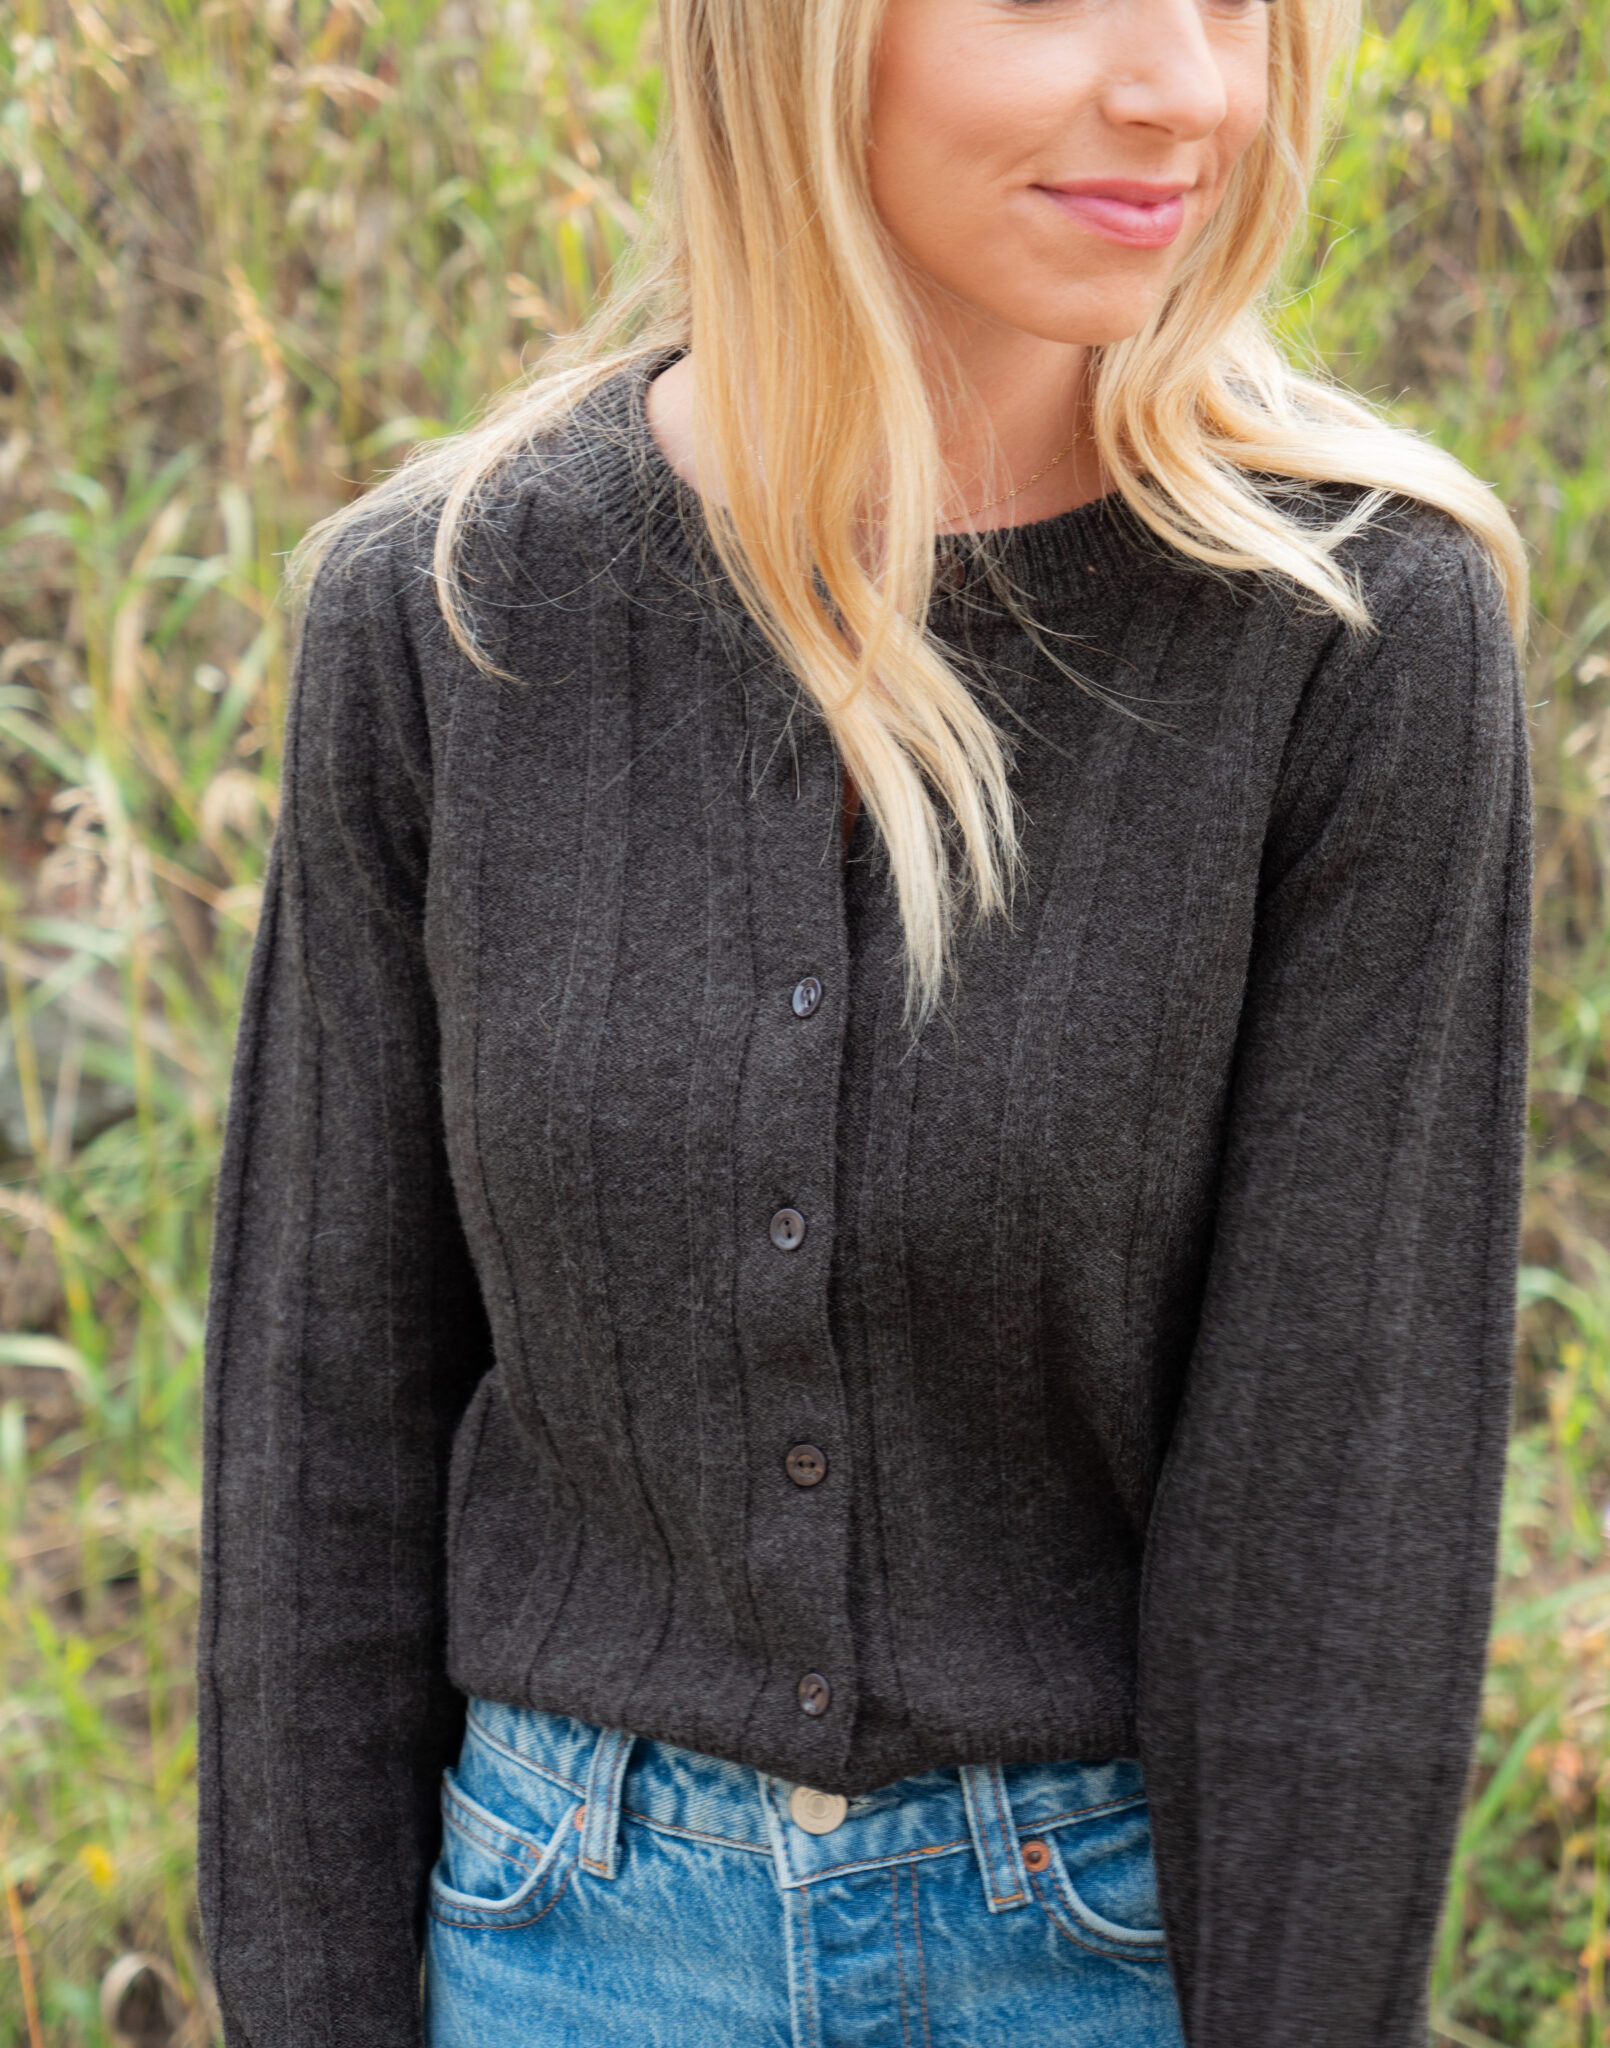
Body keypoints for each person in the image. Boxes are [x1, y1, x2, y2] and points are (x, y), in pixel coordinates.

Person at [196, 0, 1533, 2042]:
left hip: (1098, 1955)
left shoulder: (1351, 635)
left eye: (1236, 7)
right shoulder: (444, 611)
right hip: (554, 1938)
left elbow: (1335, 1507)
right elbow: (320, 1448)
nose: (1186, 84)